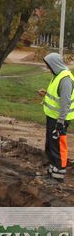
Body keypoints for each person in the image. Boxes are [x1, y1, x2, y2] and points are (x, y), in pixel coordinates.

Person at [42, 53, 74, 182]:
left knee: (58, 147)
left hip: (59, 120)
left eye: (48, 65)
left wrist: (60, 122)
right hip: (52, 118)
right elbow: (57, 97)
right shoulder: (57, 75)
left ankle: (58, 176)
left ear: (54, 64)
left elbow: (65, 103)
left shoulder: (65, 79)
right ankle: (52, 172)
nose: (47, 68)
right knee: (50, 146)